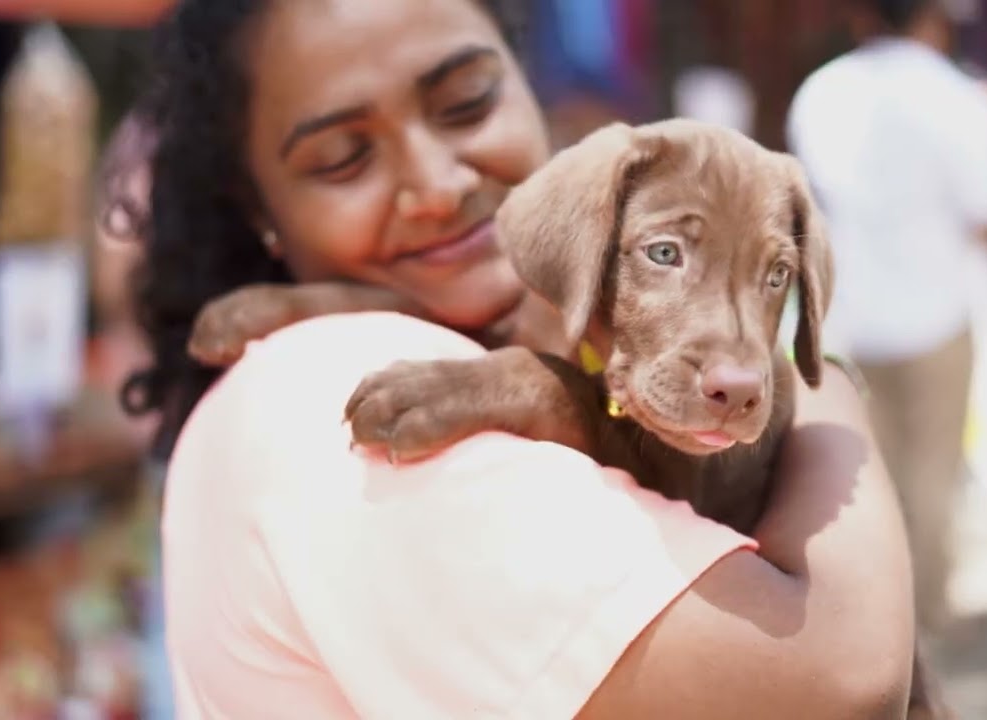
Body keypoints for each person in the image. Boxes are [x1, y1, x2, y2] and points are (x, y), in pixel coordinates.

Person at [121, 0, 916, 716]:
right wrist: (832, 407)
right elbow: (837, 681)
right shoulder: (329, 426)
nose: (437, 184)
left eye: (467, 102)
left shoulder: (432, 331)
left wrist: (811, 377)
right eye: (342, 157)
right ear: (256, 205)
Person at [786, 0, 987, 631]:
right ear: (934, 20)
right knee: (933, 478)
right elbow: (983, 210)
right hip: (937, 315)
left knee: (865, 487)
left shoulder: (821, 92)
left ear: (865, 19)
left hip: (850, 320)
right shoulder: (956, 97)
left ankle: (880, 627)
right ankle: (928, 624)